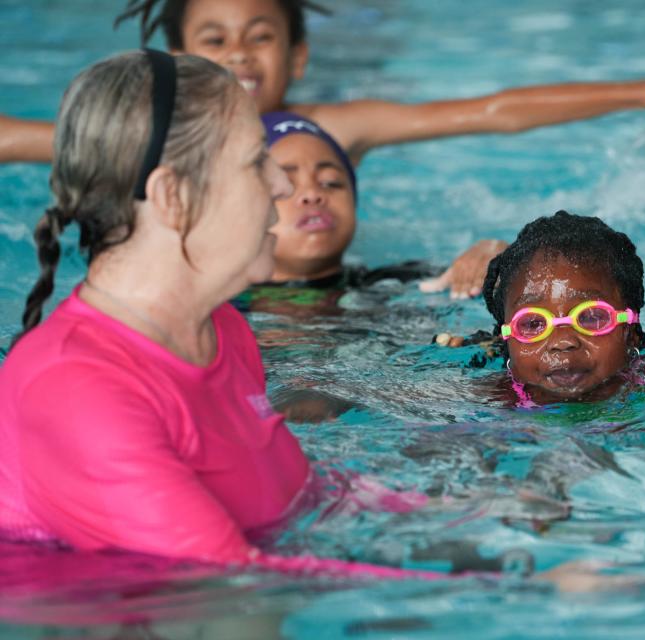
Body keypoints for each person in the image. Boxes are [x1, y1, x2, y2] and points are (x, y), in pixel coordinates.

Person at [0, 49, 447, 579]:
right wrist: (527, 591)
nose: (282, 186)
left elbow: (300, 492)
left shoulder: (220, 329)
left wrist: (460, 518)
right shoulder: (77, 385)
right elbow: (231, 590)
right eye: (256, 158)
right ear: (173, 196)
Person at [0, 0, 645, 166]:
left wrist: (642, 90)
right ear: (174, 56)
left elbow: (489, 113)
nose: (240, 55)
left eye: (261, 36)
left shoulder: (335, 124)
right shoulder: (154, 138)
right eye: (215, 39)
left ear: (297, 56)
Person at [234, 111, 506, 316]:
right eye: (288, 184)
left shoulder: (399, 283)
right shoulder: (222, 307)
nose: (313, 194)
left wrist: (497, 259)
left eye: (331, 182)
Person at [479, 210, 645, 406]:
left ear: (632, 332)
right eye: (533, 323)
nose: (563, 341)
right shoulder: (489, 401)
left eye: (591, 317)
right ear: (506, 340)